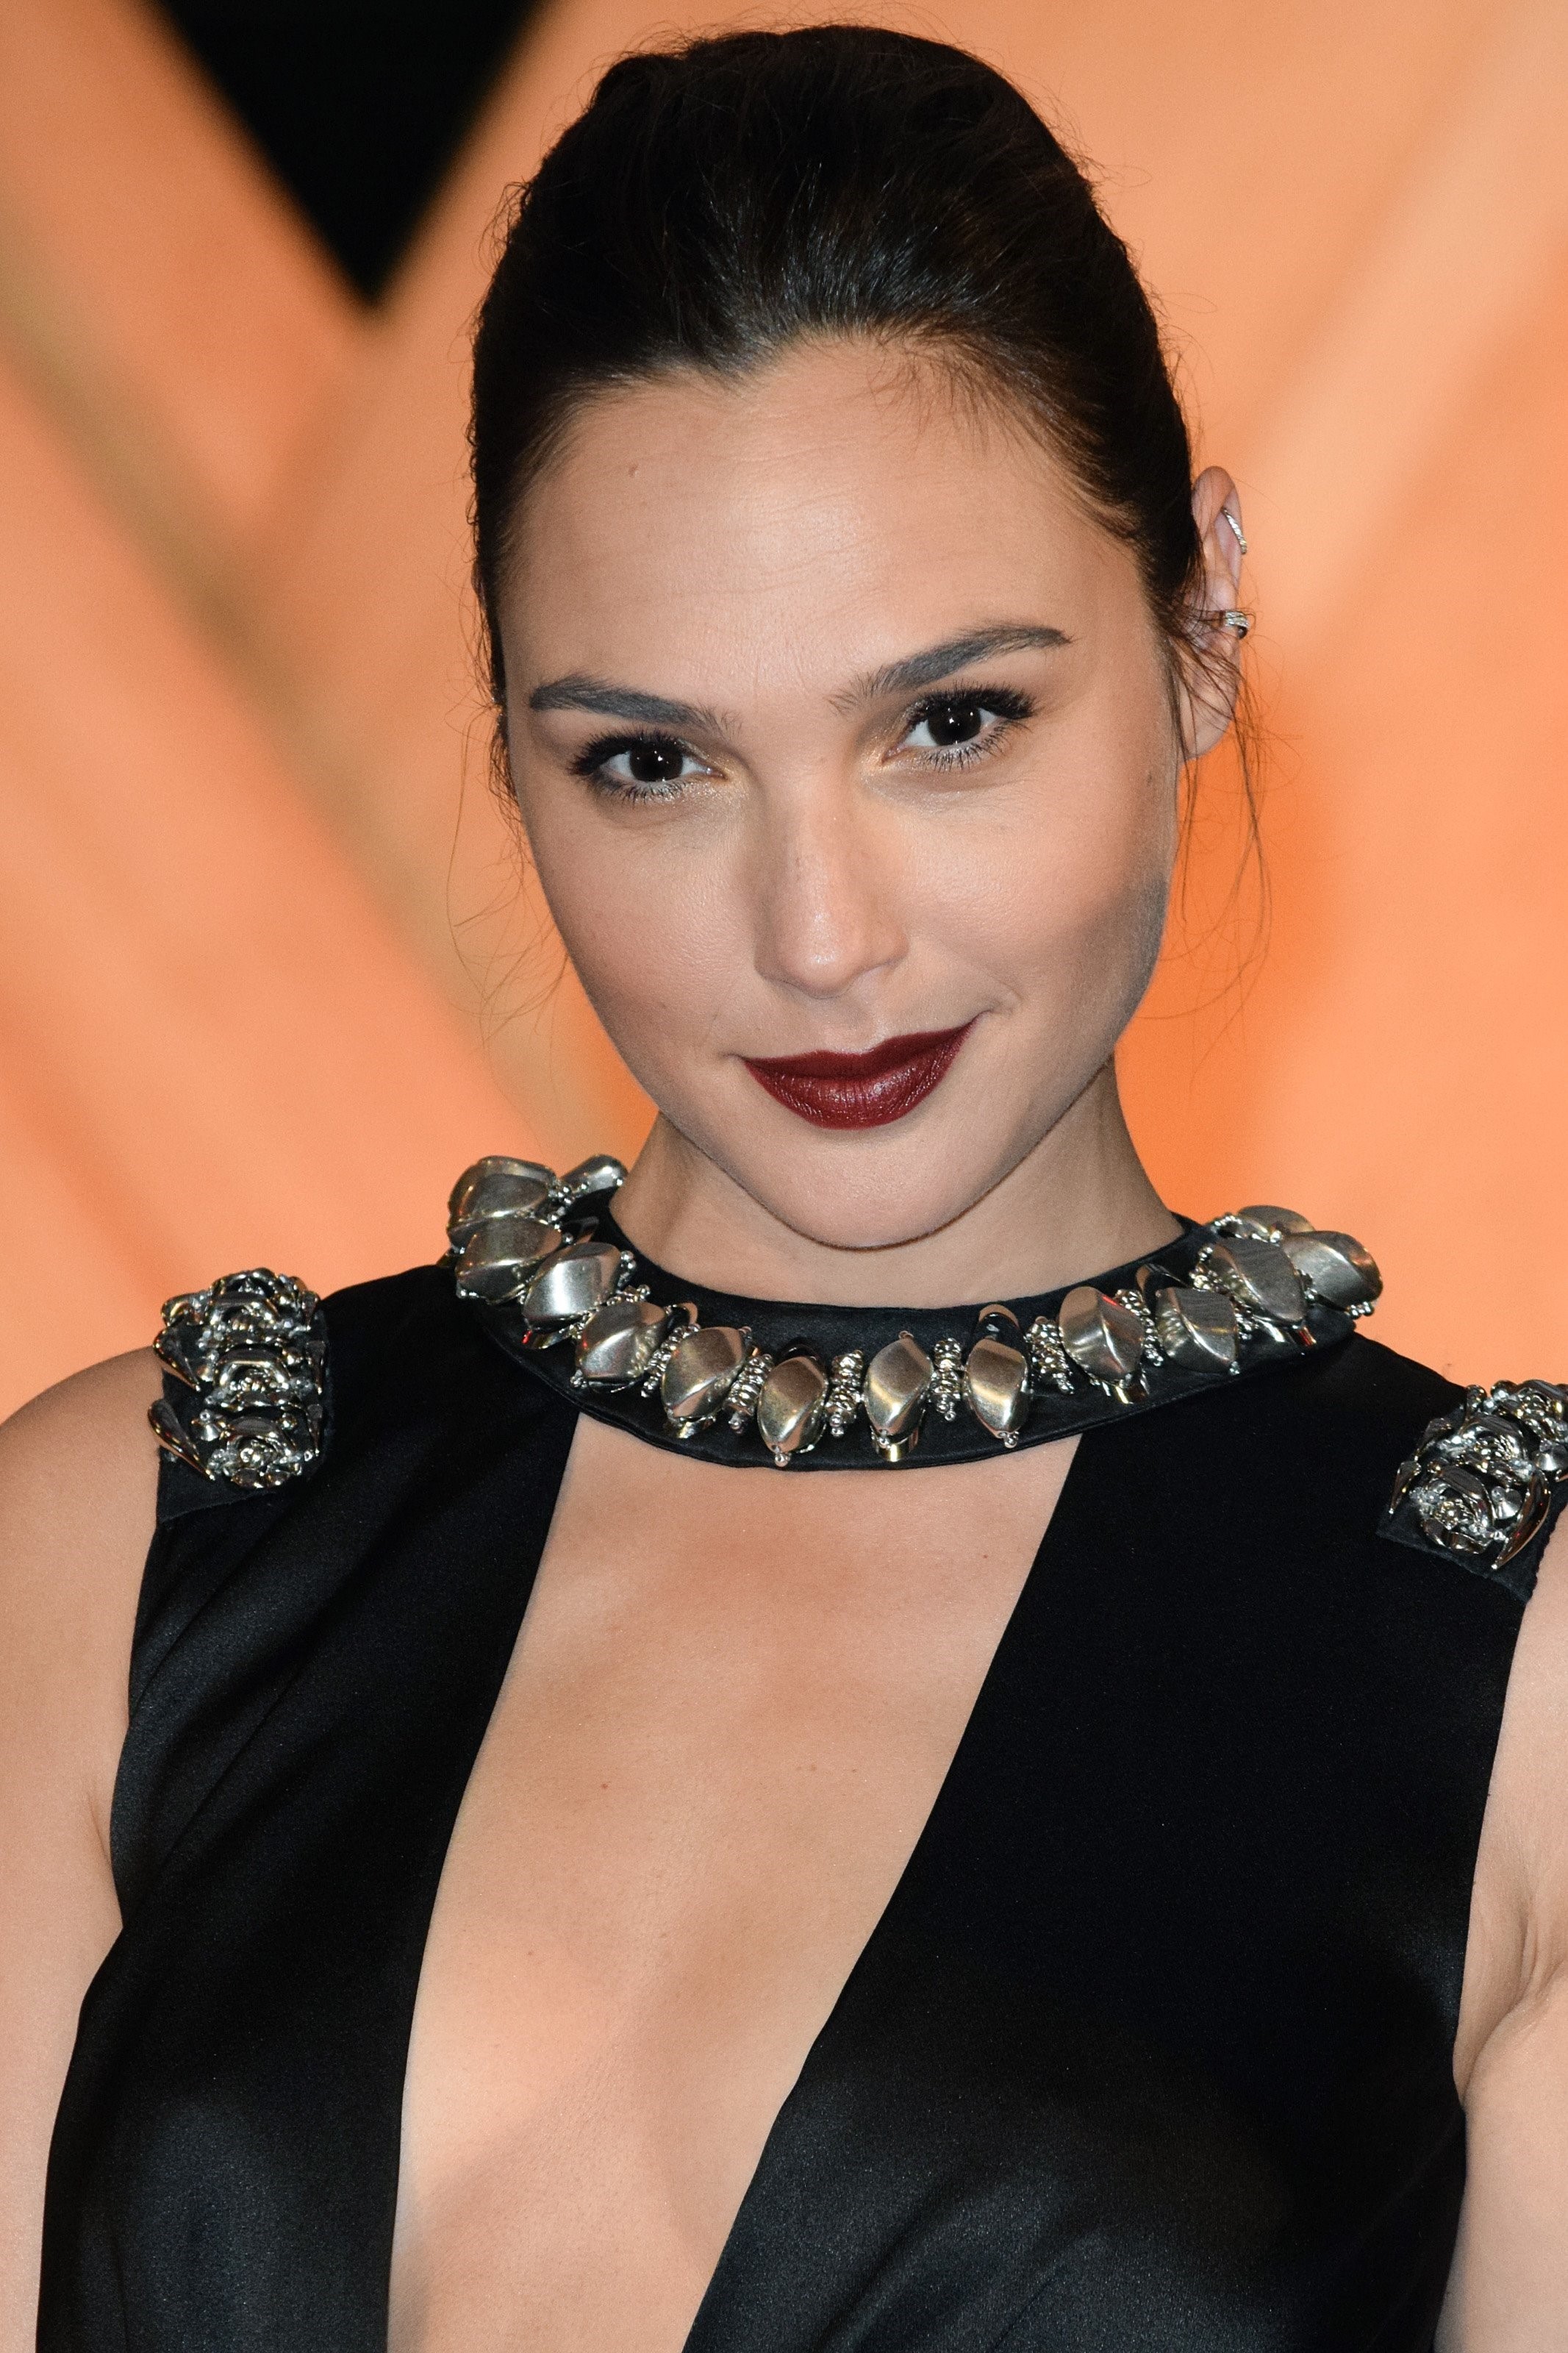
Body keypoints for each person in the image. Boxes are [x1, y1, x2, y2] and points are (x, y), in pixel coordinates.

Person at [1, 25, 1564, 2352]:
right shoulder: (116, 1551)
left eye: (951, 724)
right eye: (653, 761)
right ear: (511, 737)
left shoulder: (1520, 1689)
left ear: (1202, 617)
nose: (819, 940)